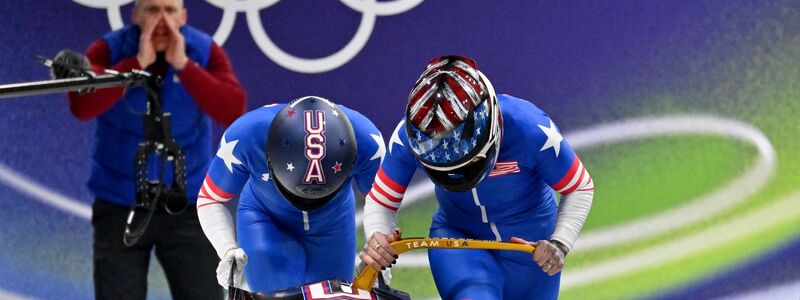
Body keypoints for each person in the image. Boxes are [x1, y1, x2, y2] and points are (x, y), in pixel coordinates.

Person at [359, 56, 594, 299]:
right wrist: (378, 250)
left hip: (530, 247)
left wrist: (559, 244)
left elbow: (579, 187)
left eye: (468, 162)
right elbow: (381, 201)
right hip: (457, 241)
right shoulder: (412, 135)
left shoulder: (531, 129)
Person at [66, 0, 246, 298]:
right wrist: (136, 63)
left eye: (170, 10)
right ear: (135, 15)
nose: (161, 19)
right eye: (152, 10)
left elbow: (232, 109)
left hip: (189, 207)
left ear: (183, 17)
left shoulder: (203, 51)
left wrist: (185, 67)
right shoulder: (108, 50)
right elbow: (82, 106)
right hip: (120, 205)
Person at [197, 96, 385, 292]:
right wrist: (226, 248)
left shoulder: (367, 142)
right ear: (269, 158)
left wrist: (377, 248)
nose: (307, 201)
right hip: (266, 218)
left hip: (333, 222)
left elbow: (382, 203)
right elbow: (211, 199)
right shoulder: (246, 135)